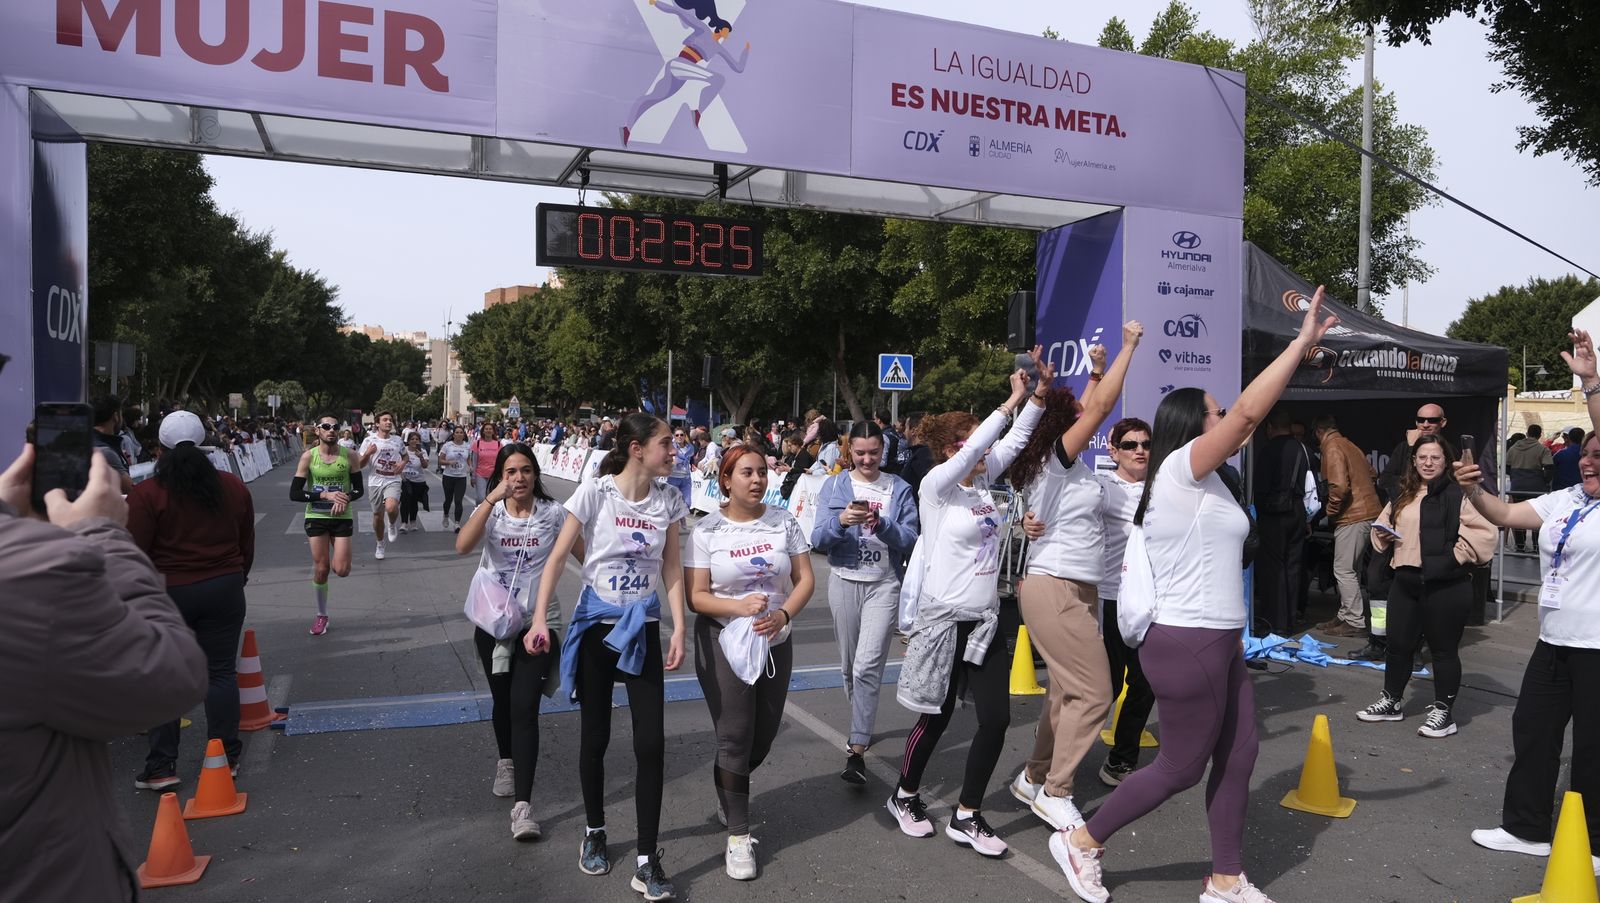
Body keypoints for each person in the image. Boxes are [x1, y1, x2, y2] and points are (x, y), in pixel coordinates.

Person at [1053, 287, 1339, 903]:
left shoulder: (1210, 485)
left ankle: (1226, 878)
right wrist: (1300, 343)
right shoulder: (1181, 467)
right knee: (1181, 767)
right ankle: (1082, 842)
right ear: (1191, 426)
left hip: (1221, 637)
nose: (1224, 419)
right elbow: (1247, 417)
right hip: (1187, 640)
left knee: (1240, 754)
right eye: (1213, 413)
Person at [0, 441, 208, 902]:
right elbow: (167, 676)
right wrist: (102, 535)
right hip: (44, 879)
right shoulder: (23, 571)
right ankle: (205, 755)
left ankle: (162, 763)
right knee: (223, 674)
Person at [889, 349, 1053, 858]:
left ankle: (968, 814)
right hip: (943, 621)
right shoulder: (936, 488)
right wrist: (1010, 400)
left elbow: (1017, 439)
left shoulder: (984, 484)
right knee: (934, 716)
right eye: (969, 442)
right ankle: (905, 795)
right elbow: (979, 446)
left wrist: (1038, 397)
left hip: (985, 620)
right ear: (949, 451)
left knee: (996, 719)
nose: (983, 451)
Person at [529, 413, 689, 901]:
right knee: (595, 737)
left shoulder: (670, 499)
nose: (675, 450)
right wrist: (540, 619)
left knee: (651, 745)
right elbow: (558, 557)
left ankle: (646, 858)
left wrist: (679, 625)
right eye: (667, 443)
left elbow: (672, 566)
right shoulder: (596, 492)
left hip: (641, 627)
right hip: (597, 626)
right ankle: (595, 830)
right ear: (638, 448)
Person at [1461, 328, 1600, 868]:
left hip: (1597, 647)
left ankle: (1590, 844)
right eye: (1585, 454)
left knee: (1592, 751)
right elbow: (1506, 515)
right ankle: (1526, 829)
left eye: (1599, 454)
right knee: (1535, 735)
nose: (1589, 462)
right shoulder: (1566, 496)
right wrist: (1473, 488)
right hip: (1553, 642)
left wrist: (1590, 380)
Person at [1005, 323, 1143, 832]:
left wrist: (1097, 372)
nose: (1088, 421)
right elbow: (1099, 411)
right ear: (1063, 429)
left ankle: (1032, 777)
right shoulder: (1055, 462)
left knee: (1066, 693)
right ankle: (1055, 790)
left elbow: (1089, 407)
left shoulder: (1068, 465)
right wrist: (1130, 348)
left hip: (1078, 590)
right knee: (1096, 694)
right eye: (1076, 420)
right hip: (1055, 586)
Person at [685, 445, 815, 880]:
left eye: (762, 472)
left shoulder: (784, 521)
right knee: (735, 737)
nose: (757, 480)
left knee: (763, 737)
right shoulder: (706, 531)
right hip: (723, 640)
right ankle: (739, 837)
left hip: (775, 639)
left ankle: (728, 779)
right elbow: (696, 596)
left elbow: (805, 579)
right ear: (725, 480)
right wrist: (739, 607)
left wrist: (781, 614)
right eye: (746, 473)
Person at [126, 410, 255, 786]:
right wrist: (237, 576)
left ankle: (162, 767)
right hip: (225, 588)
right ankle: (225, 757)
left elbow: (134, 552)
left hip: (168, 593)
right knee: (220, 673)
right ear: (204, 444)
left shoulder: (147, 494)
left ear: (159, 448)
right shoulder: (232, 486)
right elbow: (245, 541)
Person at [456, 442, 576, 841]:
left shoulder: (554, 514)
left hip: (540, 620)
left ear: (536, 474)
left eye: (526, 470)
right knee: (503, 700)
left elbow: (586, 556)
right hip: (493, 619)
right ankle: (506, 759)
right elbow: (462, 546)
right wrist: (490, 500)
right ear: (500, 477)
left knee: (524, 706)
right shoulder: (490, 513)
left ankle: (523, 807)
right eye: (511, 472)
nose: (519, 478)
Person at [1357, 433, 1495, 737]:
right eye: (1422, 457)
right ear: (1413, 461)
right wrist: (1384, 535)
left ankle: (1443, 713)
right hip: (1404, 581)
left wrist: (1453, 558)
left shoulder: (1460, 493)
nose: (1428, 463)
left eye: (1435, 457)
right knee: (1397, 646)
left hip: (1445, 585)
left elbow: (1486, 534)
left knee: (1443, 651)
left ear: (1446, 460)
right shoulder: (1403, 493)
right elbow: (1381, 527)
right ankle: (1391, 701)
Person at [811, 421, 920, 784]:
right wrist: (842, 520)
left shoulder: (899, 488)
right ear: (849, 452)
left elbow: (911, 539)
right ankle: (862, 720)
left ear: (883, 451)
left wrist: (883, 524)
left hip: (884, 584)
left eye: (874, 452)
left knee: (867, 667)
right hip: (844, 580)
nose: (868, 459)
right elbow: (817, 537)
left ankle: (856, 746)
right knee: (848, 668)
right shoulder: (835, 485)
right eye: (860, 452)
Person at [1095, 417, 1155, 787]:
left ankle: (1121, 759)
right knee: (1107, 688)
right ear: (1113, 450)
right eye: (1131, 445)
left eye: (1146, 444)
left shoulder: (1162, 489)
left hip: (1151, 602)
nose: (1140, 451)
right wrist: (1032, 520)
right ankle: (1054, 755)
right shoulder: (1102, 488)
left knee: (1146, 684)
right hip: (1111, 599)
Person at [291, 415, 364, 636]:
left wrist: (345, 498)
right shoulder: (308, 457)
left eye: (335, 427)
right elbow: (294, 493)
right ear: (317, 430)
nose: (331, 430)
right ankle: (322, 615)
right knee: (321, 568)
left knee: (341, 570)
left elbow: (359, 489)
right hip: (316, 516)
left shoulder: (350, 456)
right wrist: (323, 494)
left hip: (342, 517)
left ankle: (338, 561)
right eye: (326, 427)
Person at [1313, 414, 1381, 638]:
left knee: (1343, 569)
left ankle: (1353, 620)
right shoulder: (1350, 445)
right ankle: (1345, 615)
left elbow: (1340, 487)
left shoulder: (1332, 447)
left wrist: (1331, 511)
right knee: (1352, 569)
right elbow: (1373, 473)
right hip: (1369, 513)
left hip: (1353, 516)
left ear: (1318, 433)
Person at [1253, 408, 1313, 635]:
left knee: (1273, 568)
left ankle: (1274, 621)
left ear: (1270, 427)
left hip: (1274, 514)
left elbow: (1260, 486)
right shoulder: (1303, 450)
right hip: (1298, 511)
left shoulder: (1269, 450)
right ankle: (1290, 619)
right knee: (1293, 567)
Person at [359, 411, 407, 560]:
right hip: (375, 481)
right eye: (385, 420)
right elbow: (359, 465)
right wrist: (367, 454)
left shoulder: (398, 440)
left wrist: (403, 463)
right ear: (377, 424)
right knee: (377, 516)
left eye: (390, 420)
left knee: (391, 507)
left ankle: (392, 523)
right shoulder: (369, 441)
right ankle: (380, 543)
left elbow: (405, 456)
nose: (388, 422)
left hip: (393, 479)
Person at [1380, 403, 1447, 502]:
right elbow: (1385, 480)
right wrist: (1411, 448)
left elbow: (1446, 482)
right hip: (1404, 505)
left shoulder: (1448, 449)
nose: (1425, 425)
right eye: (1421, 420)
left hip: (1434, 506)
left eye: (1432, 420)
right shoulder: (1404, 447)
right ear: (1416, 422)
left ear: (1443, 422)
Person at [1507, 423, 1556, 551]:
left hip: (1517, 486)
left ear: (1527, 433)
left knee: (1518, 516)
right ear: (1540, 435)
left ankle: (1520, 546)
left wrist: (1515, 477)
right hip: (1536, 488)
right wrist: (1544, 480)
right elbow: (1549, 468)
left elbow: (1506, 467)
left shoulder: (1514, 448)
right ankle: (1536, 546)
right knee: (1537, 515)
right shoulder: (1542, 449)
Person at [91, 393, 136, 494]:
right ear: (115, 417)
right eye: (121, 414)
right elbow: (130, 490)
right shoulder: (106, 453)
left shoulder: (82, 441)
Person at [439, 425, 472, 531]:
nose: (459, 434)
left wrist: (470, 467)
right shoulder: (447, 446)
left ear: (464, 435)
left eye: (461, 433)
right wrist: (448, 462)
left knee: (458, 500)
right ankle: (446, 515)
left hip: (461, 477)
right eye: (456, 432)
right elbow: (440, 460)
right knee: (448, 500)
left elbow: (468, 459)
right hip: (448, 476)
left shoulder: (467, 446)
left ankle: (457, 523)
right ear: (453, 435)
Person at [399, 431, 431, 533]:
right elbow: (397, 464)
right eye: (412, 439)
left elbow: (425, 466)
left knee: (413, 502)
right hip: (405, 480)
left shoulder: (422, 451)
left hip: (418, 481)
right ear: (408, 441)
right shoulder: (403, 451)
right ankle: (404, 523)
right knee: (405, 500)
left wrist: (420, 456)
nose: (414, 441)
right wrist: (401, 475)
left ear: (419, 441)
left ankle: (413, 522)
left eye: (416, 439)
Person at [472, 422, 504, 504]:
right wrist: (473, 476)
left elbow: (502, 461)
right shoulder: (477, 443)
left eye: (490, 429)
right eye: (486, 429)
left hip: (494, 475)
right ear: (483, 431)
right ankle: (478, 512)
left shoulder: (498, 444)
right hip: (480, 474)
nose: (488, 430)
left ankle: (489, 515)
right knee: (481, 498)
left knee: (492, 498)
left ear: (493, 431)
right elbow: (474, 461)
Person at [668, 426, 696, 510]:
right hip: (673, 477)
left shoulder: (690, 448)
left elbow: (690, 459)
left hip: (685, 478)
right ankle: (674, 522)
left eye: (681, 435)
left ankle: (682, 521)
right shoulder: (671, 447)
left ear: (684, 436)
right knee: (673, 504)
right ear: (674, 436)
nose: (679, 437)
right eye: (677, 435)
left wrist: (692, 465)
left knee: (687, 503)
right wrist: (672, 462)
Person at [1553, 426, 1586, 491]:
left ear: (1568, 438)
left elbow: (1550, 468)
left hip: (1562, 490)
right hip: (1582, 490)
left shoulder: (1560, 454)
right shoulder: (1589, 454)